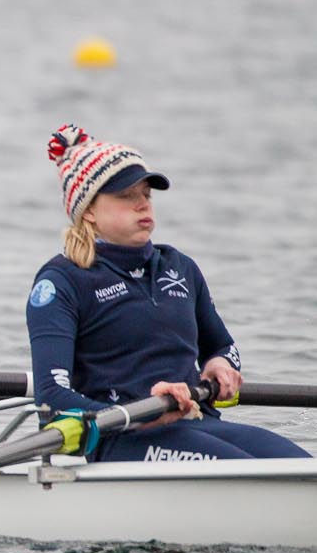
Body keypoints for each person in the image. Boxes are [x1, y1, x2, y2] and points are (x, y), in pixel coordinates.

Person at [25, 124, 308, 462]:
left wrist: (220, 364)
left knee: (303, 465)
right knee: (256, 472)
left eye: (146, 194)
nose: (143, 205)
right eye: (127, 196)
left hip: (198, 424)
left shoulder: (180, 268)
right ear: (88, 210)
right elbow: (51, 399)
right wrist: (142, 414)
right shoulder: (63, 282)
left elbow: (222, 346)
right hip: (122, 441)